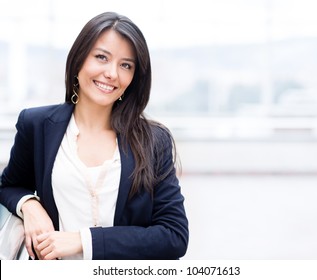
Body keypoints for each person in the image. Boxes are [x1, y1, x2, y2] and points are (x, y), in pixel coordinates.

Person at [0, 11, 188, 260]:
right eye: (101, 57)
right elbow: (9, 185)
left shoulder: (153, 140)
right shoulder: (37, 125)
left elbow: (174, 236)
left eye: (126, 65)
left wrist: (82, 240)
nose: (112, 73)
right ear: (79, 60)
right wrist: (30, 206)